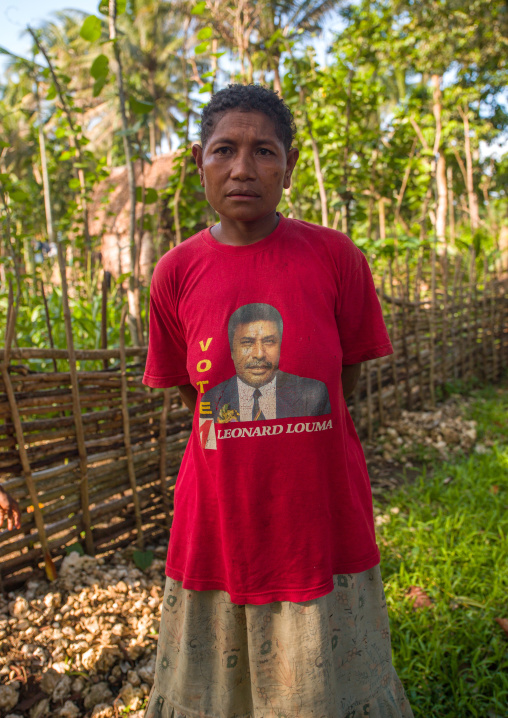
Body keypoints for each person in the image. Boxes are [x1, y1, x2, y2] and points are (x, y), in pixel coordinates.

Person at [143, 84, 413, 718]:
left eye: (264, 150)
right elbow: (196, 394)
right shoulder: (175, 274)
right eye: (224, 150)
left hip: (319, 507)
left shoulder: (336, 257)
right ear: (197, 163)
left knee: (324, 686)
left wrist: (291, 430)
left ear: (289, 164)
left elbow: (337, 383)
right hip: (218, 513)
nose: (243, 168)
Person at [200, 302, 331, 428]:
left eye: (269, 341)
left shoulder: (313, 394)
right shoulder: (212, 399)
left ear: (280, 346)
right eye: (247, 342)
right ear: (232, 351)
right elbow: (209, 446)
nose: (259, 354)